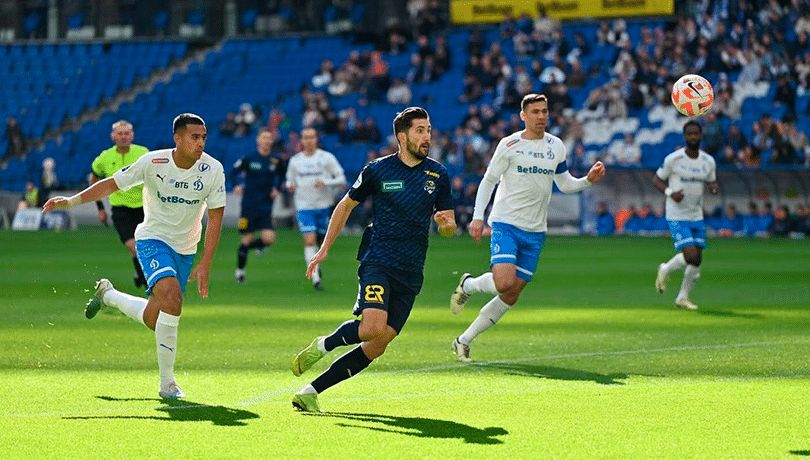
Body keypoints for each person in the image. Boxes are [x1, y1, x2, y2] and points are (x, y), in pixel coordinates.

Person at [42, 114, 226, 399]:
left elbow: (215, 218)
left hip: (186, 248)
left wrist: (205, 263)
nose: (201, 143)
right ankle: (168, 384)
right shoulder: (153, 162)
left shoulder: (213, 169)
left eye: (203, 138)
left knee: (156, 319)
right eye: (194, 137)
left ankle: (109, 296)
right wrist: (71, 201)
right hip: (152, 239)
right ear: (177, 139)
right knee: (173, 299)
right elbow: (111, 184)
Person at [289, 107, 456, 412]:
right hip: (379, 260)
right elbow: (344, 206)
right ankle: (324, 344)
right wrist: (324, 248)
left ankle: (310, 392)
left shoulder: (438, 173)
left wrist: (446, 226)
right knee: (370, 328)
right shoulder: (378, 170)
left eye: (429, 130)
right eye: (420, 130)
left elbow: (448, 226)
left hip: (412, 270)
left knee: (378, 345)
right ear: (402, 136)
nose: (427, 137)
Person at [448, 94, 606, 362]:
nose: (541, 116)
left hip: (535, 231)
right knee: (504, 283)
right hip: (506, 223)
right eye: (535, 112)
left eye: (544, 111)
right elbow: (488, 180)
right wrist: (477, 217)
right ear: (523, 116)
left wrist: (587, 181)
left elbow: (564, 183)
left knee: (511, 295)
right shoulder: (509, 144)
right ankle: (469, 285)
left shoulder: (556, 146)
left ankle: (463, 340)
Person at [653, 120, 718, 311]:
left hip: (696, 214)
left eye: (696, 133)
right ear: (684, 137)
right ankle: (665, 268)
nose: (693, 137)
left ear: (701, 136)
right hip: (676, 214)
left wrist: (713, 188)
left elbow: (712, 182)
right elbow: (657, 179)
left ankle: (682, 297)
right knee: (691, 255)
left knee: (697, 260)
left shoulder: (708, 161)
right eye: (689, 134)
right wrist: (670, 193)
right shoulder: (673, 159)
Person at [90, 120, 150, 288]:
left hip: (144, 208)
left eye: (126, 133)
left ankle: (140, 274)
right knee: (133, 246)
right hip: (120, 209)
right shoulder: (105, 157)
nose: (123, 137)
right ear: (113, 136)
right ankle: (147, 281)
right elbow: (94, 180)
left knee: (144, 247)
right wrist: (100, 208)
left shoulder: (143, 153)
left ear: (132, 136)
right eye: (120, 133)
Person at [285, 128, 346, 290]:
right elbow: (289, 180)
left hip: (323, 206)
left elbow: (341, 179)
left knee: (320, 242)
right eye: (306, 137)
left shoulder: (326, 158)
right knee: (309, 241)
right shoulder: (295, 161)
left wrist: (326, 182)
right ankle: (316, 278)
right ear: (301, 140)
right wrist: (290, 185)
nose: (309, 140)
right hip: (304, 206)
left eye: (312, 137)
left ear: (317, 139)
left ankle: (316, 266)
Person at [231, 128, 285, 284]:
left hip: (266, 205)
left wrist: (277, 188)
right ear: (258, 140)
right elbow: (233, 172)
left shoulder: (276, 160)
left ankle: (244, 250)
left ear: (272, 141)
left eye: (269, 138)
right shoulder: (249, 158)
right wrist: (236, 185)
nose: (266, 141)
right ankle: (240, 271)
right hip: (248, 205)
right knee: (247, 237)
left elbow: (282, 174)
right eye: (264, 138)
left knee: (269, 238)